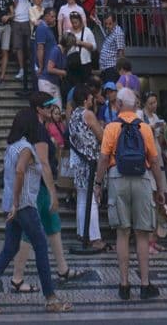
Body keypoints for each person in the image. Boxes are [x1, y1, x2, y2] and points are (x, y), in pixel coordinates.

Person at [0, 107, 71, 315]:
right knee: (41, 247)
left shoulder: (12, 146)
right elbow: (20, 171)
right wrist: (18, 202)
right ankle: (51, 298)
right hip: (24, 206)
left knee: (9, 249)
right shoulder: (26, 148)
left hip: (11, 206)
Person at [95, 85, 165, 301]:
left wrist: (98, 183)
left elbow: (104, 158)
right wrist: (160, 188)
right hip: (142, 179)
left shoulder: (111, 128)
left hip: (117, 178)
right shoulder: (144, 127)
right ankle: (145, 284)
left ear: (117, 105)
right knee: (142, 234)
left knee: (122, 233)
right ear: (135, 106)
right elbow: (154, 160)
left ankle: (124, 284)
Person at [67, 82, 106, 250]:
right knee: (92, 200)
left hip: (79, 161)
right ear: (85, 98)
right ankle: (95, 237)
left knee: (82, 199)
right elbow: (101, 135)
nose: (92, 98)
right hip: (90, 161)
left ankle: (83, 233)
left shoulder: (73, 115)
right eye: (90, 96)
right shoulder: (87, 114)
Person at [62, 10, 95, 95]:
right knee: (74, 88)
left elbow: (94, 47)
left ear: (80, 21)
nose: (74, 24)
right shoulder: (68, 32)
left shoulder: (87, 31)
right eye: (72, 22)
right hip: (72, 64)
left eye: (76, 22)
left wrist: (81, 43)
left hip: (84, 63)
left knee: (85, 87)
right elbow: (63, 47)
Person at [10, 0, 32, 87]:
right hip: (16, 21)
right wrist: (14, 5)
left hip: (27, 21)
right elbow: (11, 6)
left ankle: (29, 65)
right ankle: (22, 69)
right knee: (18, 47)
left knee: (28, 45)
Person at [33, 8, 58, 98]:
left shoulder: (47, 28)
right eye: (52, 16)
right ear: (46, 16)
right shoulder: (42, 28)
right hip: (45, 72)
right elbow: (40, 48)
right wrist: (40, 66)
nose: (54, 19)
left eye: (55, 17)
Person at [98, 13, 125, 84]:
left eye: (110, 24)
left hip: (112, 68)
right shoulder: (110, 31)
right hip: (106, 68)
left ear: (115, 22)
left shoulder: (118, 33)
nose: (107, 26)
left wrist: (121, 70)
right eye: (106, 24)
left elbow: (121, 52)